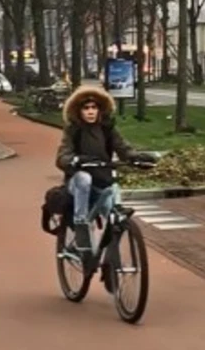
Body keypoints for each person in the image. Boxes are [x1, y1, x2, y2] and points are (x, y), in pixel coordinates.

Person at [55, 86, 150, 252]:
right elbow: (62, 156)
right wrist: (75, 160)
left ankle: (111, 259)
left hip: (102, 180)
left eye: (94, 108)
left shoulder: (107, 129)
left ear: (100, 110)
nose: (90, 112)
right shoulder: (73, 131)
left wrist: (136, 157)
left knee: (114, 215)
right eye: (86, 108)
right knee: (84, 178)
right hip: (78, 184)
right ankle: (81, 225)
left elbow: (123, 148)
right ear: (79, 111)